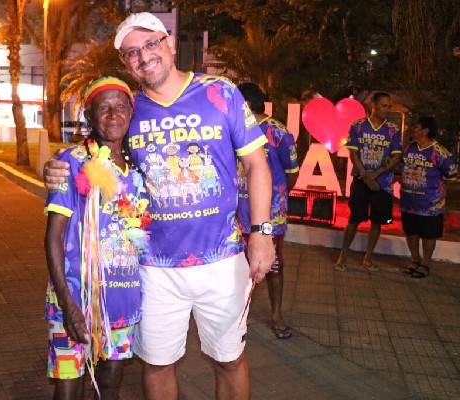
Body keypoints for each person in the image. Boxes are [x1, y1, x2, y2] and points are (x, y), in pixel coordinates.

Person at [45, 12, 276, 400]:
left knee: (229, 360)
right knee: (156, 364)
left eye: (150, 43)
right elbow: (95, 149)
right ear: (126, 62)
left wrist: (262, 232)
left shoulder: (220, 92)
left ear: (168, 42)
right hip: (153, 268)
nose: (144, 56)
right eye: (132, 52)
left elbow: (256, 164)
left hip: (221, 259)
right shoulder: (129, 108)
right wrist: (55, 168)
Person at [44, 76, 150, 400]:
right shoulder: (72, 162)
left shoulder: (138, 171)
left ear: (130, 113)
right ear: (90, 116)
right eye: (103, 108)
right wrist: (67, 305)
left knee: (110, 387)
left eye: (121, 107)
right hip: (75, 297)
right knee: (68, 389)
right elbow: (53, 237)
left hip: (122, 300)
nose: (113, 115)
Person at [236, 82, 299, 339]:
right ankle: (241, 314)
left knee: (273, 265)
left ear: (246, 105)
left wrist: (276, 197)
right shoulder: (236, 129)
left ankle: (276, 315)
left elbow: (291, 174)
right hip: (238, 213)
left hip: (270, 215)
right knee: (239, 266)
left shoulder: (278, 133)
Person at [334, 92, 402, 272]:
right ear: (374, 105)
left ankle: (368, 257)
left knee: (377, 221)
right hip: (361, 181)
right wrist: (365, 175)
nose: (387, 109)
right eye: (384, 106)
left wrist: (376, 174)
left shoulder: (393, 130)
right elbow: (353, 153)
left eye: (389, 106)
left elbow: (396, 157)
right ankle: (343, 256)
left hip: (383, 184)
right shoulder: (358, 126)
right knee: (354, 219)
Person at [400, 116, 457, 278]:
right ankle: (415, 260)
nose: (412, 129)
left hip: (430, 206)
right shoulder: (409, 148)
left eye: (416, 127)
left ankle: (425, 264)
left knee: (428, 235)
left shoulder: (439, 153)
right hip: (409, 203)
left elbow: (451, 176)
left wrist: (439, 195)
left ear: (425, 131)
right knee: (411, 232)